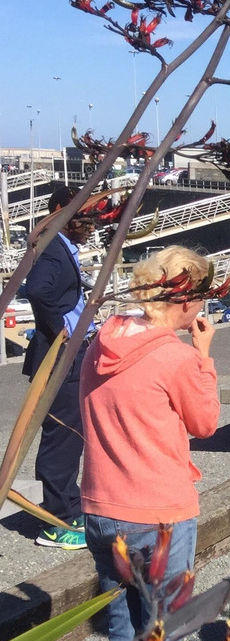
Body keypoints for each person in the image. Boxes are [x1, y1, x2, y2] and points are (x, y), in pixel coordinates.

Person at [81, 246, 219, 641]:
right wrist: (204, 354)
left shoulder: (101, 341)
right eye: (201, 294)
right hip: (160, 513)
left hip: (101, 508)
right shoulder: (175, 357)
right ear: (184, 297)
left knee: (123, 639)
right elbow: (205, 422)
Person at [23, 185, 97, 550]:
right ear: (58, 212)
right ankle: (55, 522)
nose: (88, 224)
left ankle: (67, 504)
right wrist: (61, 331)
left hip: (72, 354)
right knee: (62, 434)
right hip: (60, 357)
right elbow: (37, 291)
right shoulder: (53, 248)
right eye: (80, 216)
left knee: (73, 433)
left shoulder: (63, 247)